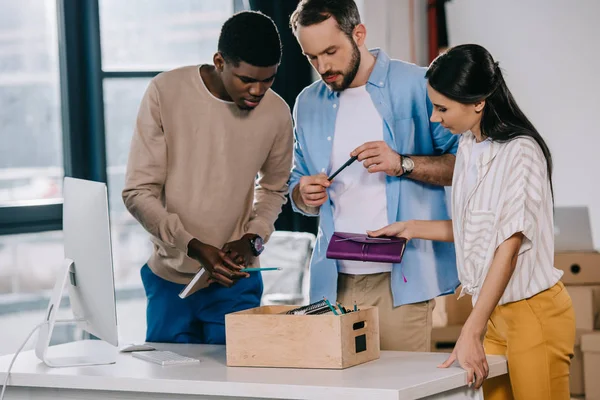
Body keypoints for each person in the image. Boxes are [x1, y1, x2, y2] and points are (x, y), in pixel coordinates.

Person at [370, 44, 576, 398]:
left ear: (478, 102)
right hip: (491, 312)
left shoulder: (521, 152)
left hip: (532, 314)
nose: (435, 118)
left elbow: (507, 249)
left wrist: (470, 331)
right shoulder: (467, 145)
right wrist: (412, 228)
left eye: (442, 108)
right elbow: (475, 230)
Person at [288, 0, 460, 352]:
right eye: (312, 57)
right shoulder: (307, 102)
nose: (323, 66)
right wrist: (302, 195)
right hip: (333, 279)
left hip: (403, 277)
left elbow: (463, 166)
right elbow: (296, 184)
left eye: (331, 51)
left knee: (401, 387)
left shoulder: (419, 84)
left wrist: (402, 163)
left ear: (359, 34)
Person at [122, 11, 293, 345]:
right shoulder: (165, 92)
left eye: (268, 79)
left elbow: (274, 190)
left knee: (238, 391)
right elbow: (138, 192)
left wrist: (252, 239)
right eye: (246, 79)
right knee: (172, 390)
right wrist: (193, 246)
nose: (258, 90)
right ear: (219, 61)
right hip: (170, 280)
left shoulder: (277, 113)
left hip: (238, 282)